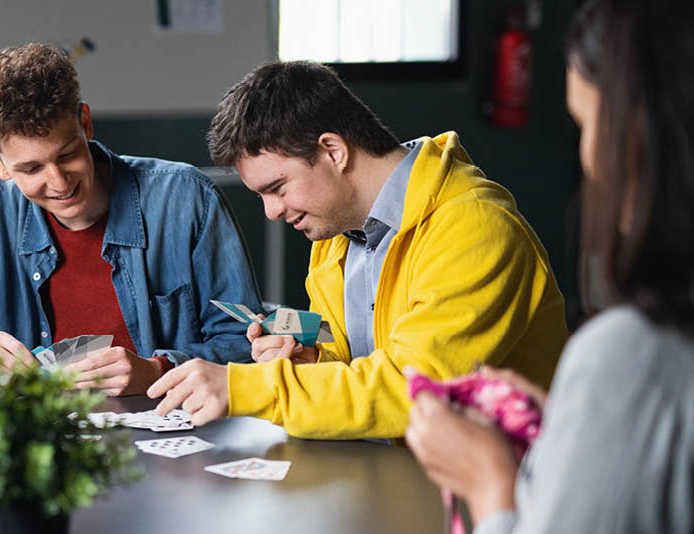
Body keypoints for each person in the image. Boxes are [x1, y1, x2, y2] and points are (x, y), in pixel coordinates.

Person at [148, 60, 568, 439]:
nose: (272, 212)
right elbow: (351, 364)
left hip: (503, 490)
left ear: (333, 151)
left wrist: (246, 386)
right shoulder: (333, 235)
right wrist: (308, 359)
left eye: (276, 189)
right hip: (394, 471)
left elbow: (414, 390)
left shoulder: (475, 227)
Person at [405, 0, 694, 531]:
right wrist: (571, 423)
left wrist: (490, 482)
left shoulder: (628, 354)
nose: (588, 156)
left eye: (588, 123)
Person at [0, 43, 263, 396]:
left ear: (85, 122)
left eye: (67, 155)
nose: (59, 182)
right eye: (31, 168)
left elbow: (245, 340)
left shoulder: (186, 198)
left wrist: (157, 369)